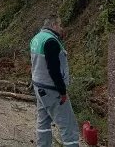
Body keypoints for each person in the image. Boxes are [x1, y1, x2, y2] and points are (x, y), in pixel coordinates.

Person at [30, 17, 78, 147]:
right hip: (51, 89)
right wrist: (62, 90)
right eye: (59, 25)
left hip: (39, 86)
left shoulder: (37, 38)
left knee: (43, 121)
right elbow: (53, 69)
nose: (61, 28)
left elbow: (35, 64)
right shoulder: (51, 41)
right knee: (68, 125)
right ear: (52, 24)